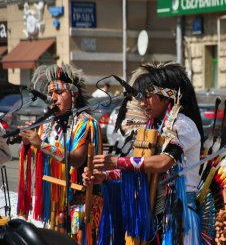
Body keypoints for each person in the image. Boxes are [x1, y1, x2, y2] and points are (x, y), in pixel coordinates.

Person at [83, 61, 204, 244]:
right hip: (152, 213)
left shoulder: (182, 125)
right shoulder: (152, 128)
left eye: (148, 96)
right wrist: (105, 176)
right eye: (141, 97)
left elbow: (164, 162)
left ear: (167, 96)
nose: (142, 102)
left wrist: (117, 162)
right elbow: (138, 166)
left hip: (179, 218)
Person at [17, 64, 103, 243]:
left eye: (59, 92)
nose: (53, 98)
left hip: (82, 203)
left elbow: (78, 159)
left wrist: (41, 144)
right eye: (51, 94)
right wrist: (28, 144)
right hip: (55, 205)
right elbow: (38, 158)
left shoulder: (85, 123)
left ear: (74, 93)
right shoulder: (48, 125)